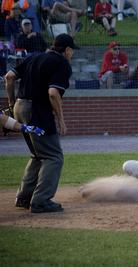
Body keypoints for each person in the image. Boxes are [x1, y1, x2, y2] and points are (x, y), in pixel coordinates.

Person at [4, 33, 77, 213]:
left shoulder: (34, 57)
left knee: (38, 154)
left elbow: (9, 77)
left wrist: (12, 104)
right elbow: (53, 93)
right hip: (36, 112)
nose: (72, 54)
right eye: (72, 51)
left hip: (20, 107)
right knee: (53, 156)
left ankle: (24, 197)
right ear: (67, 50)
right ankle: (41, 201)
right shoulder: (62, 64)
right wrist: (61, 120)